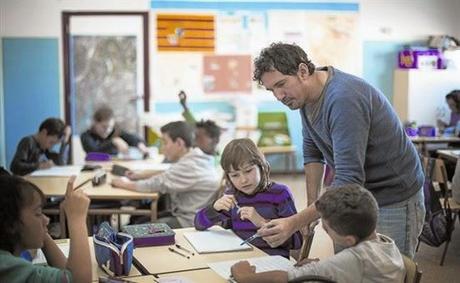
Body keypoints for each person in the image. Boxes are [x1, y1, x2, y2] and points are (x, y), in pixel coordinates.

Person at [253, 42, 425, 258]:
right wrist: (311, 208)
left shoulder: (344, 99)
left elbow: (349, 177)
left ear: (303, 71)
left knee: (388, 270)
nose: (278, 96)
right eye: (272, 90)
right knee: (350, 268)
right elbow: (312, 151)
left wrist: (295, 222)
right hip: (354, 196)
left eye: (281, 84)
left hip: (392, 195)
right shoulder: (306, 97)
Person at [230, 184, 405, 283]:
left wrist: (245, 276)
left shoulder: (354, 259)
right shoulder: (385, 244)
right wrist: (317, 270)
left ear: (349, 240)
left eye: (327, 229)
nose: (323, 229)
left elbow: (282, 278)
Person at [194, 138, 302, 258]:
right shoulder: (233, 197)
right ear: (228, 177)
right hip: (239, 261)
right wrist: (214, 208)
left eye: (248, 171)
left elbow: (296, 241)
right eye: (235, 175)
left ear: (261, 166)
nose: (243, 180)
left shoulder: (279, 194)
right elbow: (199, 224)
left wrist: (262, 223)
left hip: (271, 264)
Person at [111, 121, 220, 228]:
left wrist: (123, 183)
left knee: (130, 231)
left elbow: (152, 185)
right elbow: (168, 171)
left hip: (189, 222)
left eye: (165, 142)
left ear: (179, 143)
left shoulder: (189, 165)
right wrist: (138, 176)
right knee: (138, 221)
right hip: (188, 215)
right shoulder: (194, 158)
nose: (162, 148)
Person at [0, 175, 91, 283]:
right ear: (11, 224)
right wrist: (77, 218)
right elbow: (79, 281)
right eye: (38, 213)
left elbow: (66, 275)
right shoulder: (9, 267)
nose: (46, 220)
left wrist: (41, 231)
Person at [80, 106, 149, 157]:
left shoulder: (114, 132)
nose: (107, 130)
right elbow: (93, 152)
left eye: (110, 127)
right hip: (95, 169)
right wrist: (113, 142)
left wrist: (139, 144)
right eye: (104, 127)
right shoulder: (86, 136)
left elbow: (131, 138)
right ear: (95, 123)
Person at [179, 90, 222, 156]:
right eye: (195, 137)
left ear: (214, 140)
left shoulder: (216, 163)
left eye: (198, 137)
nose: (194, 142)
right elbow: (194, 124)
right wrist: (184, 105)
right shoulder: (194, 155)